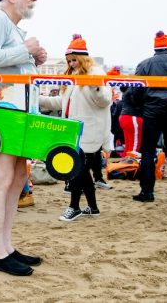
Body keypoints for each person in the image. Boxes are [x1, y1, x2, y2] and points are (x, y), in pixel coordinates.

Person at [0, 0, 47, 276]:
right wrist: (26, 51)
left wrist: (35, 60)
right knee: (3, 178)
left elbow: (11, 63)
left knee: (18, 178)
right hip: (3, 108)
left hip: (19, 109)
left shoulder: (14, 29)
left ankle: (6, 246)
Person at [40, 35, 112, 221]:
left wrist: (94, 87)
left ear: (83, 58)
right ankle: (93, 208)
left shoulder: (96, 72)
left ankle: (74, 207)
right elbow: (61, 102)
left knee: (77, 169)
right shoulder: (72, 76)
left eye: (74, 60)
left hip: (90, 130)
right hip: (73, 130)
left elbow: (105, 100)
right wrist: (39, 99)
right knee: (82, 170)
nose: (71, 64)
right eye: (69, 61)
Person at [131, 31, 167, 203]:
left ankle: (147, 192)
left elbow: (136, 89)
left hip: (152, 111)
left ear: (155, 48)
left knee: (148, 152)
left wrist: (141, 106)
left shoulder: (145, 64)